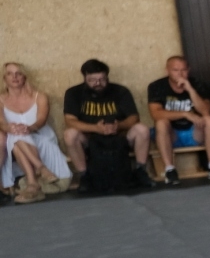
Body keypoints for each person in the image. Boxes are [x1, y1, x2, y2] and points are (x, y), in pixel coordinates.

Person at [62, 59, 153, 190]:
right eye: (92, 80)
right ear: (85, 78)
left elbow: (134, 117)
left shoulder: (120, 91)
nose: (98, 83)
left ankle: (141, 171)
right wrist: (95, 128)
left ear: (107, 77)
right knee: (69, 134)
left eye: (102, 79)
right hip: (89, 139)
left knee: (142, 129)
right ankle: (84, 176)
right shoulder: (74, 93)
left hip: (119, 137)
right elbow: (70, 121)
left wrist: (119, 125)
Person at [146, 55, 210, 184]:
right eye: (175, 70)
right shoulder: (157, 86)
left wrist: (190, 90)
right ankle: (170, 170)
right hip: (172, 134)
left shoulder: (197, 84)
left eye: (183, 70)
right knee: (161, 123)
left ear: (188, 70)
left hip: (195, 132)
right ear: (167, 71)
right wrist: (185, 114)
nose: (180, 74)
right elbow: (156, 114)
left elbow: (206, 111)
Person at [3, 62, 72, 202]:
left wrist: (29, 128)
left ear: (25, 76)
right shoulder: (0, 99)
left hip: (41, 136)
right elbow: (1, 123)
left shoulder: (39, 96)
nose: (14, 77)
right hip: (16, 139)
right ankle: (40, 169)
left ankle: (32, 183)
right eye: (10, 74)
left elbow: (41, 120)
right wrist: (10, 128)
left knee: (16, 140)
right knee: (16, 136)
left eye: (18, 73)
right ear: (4, 78)